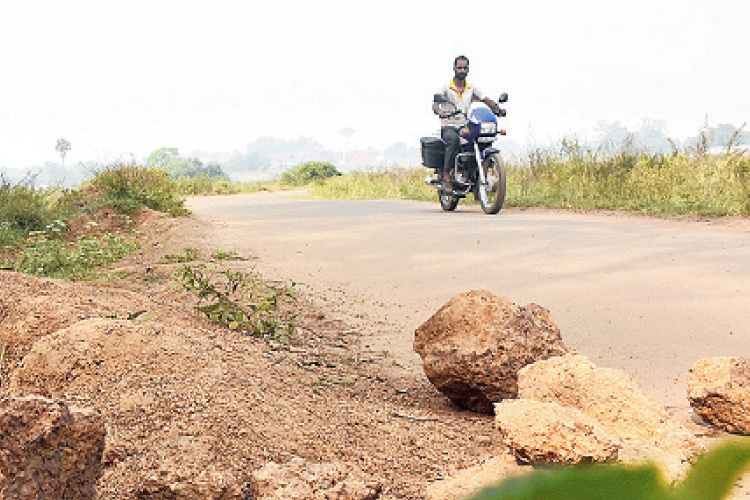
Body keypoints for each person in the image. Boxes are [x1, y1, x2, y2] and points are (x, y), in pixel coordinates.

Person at [432, 55, 503, 192]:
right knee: (452, 141)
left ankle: (476, 176)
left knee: (480, 140)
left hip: (464, 124)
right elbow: (435, 103)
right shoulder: (447, 87)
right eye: (459, 68)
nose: (462, 70)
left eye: (465, 68)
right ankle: (447, 177)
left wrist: (497, 108)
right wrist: (439, 111)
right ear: (454, 69)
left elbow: (485, 98)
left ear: (468, 70)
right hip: (449, 124)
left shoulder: (471, 88)